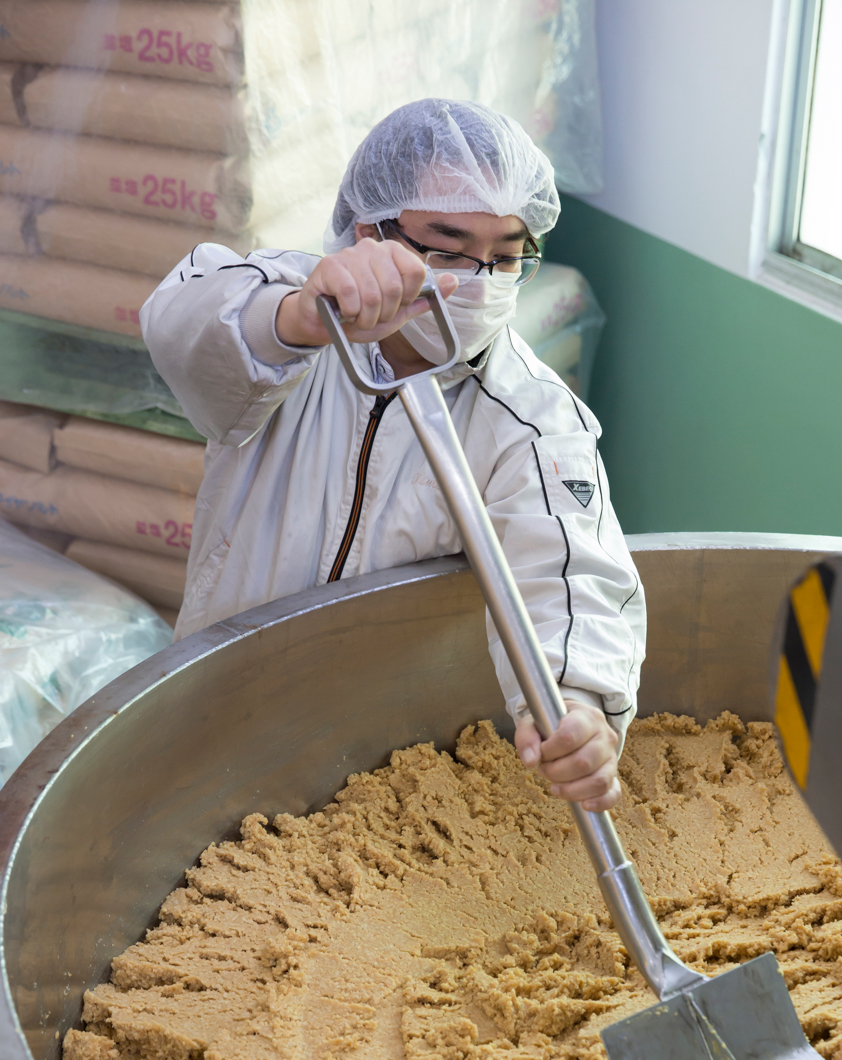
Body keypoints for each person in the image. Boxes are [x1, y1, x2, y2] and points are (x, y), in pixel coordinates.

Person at [141, 98, 645, 813]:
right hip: (222, 706)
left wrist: (578, 703)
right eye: (446, 247)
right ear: (368, 228)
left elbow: (568, 571)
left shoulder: (527, 416)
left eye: (504, 257)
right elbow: (186, 325)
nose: (475, 280)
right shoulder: (294, 307)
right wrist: (300, 321)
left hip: (383, 765)